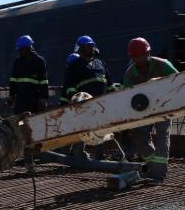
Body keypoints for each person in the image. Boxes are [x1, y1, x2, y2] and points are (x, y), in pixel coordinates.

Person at [122, 37, 178, 182]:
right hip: (143, 111)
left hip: (164, 107)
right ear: (132, 57)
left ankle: (159, 174)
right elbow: (125, 98)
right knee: (139, 137)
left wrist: (159, 82)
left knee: (162, 137)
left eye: (143, 55)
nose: (140, 59)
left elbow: (179, 83)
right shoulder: (130, 74)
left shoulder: (163, 65)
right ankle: (154, 166)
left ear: (148, 53)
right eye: (137, 56)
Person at [62, 35, 111, 158]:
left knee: (102, 128)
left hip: (102, 103)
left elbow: (109, 83)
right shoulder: (75, 66)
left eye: (91, 46)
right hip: (84, 105)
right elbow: (69, 86)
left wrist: (112, 97)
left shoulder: (101, 63)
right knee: (83, 129)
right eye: (87, 47)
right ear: (80, 49)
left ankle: (99, 155)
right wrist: (75, 100)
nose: (90, 49)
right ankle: (78, 154)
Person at [9, 35, 49, 114]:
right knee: (18, 122)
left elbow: (44, 81)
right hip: (20, 100)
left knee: (34, 121)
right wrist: (11, 95)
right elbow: (13, 80)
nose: (19, 51)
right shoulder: (17, 62)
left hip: (34, 100)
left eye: (20, 49)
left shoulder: (39, 61)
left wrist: (43, 98)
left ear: (27, 48)